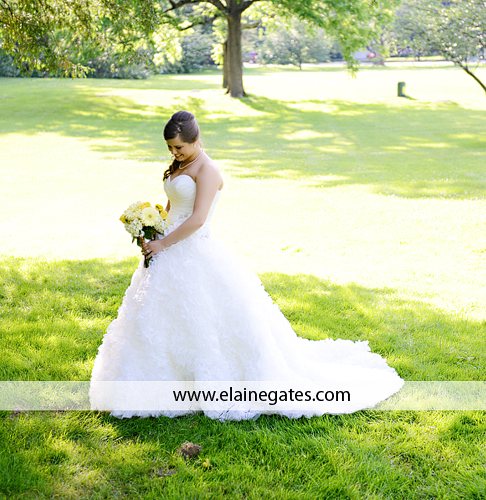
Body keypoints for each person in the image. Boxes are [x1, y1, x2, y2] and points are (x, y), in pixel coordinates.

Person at [89, 110, 403, 420]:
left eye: (179, 148)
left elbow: (198, 219)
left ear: (196, 140)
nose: (174, 153)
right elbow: (172, 206)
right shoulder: (181, 164)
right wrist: (153, 229)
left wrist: (163, 243)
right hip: (168, 246)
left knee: (203, 317)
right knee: (156, 314)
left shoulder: (207, 170)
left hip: (192, 249)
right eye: (170, 148)